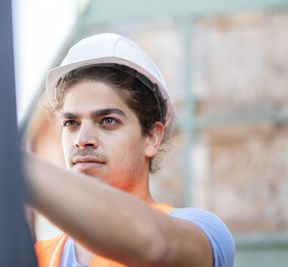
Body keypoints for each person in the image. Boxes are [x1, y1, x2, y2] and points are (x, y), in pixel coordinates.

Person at [24, 33, 235, 267]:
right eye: (71, 123)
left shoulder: (202, 232)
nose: (82, 140)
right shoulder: (36, 257)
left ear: (152, 138)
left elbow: (155, 246)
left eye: (107, 121)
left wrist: (11, 163)